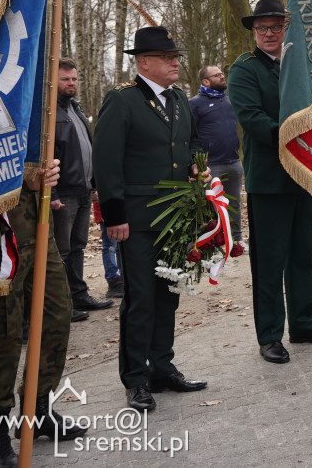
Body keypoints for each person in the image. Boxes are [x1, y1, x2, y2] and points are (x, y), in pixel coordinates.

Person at [93, 26, 209, 412]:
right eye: (167, 57)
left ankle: (162, 367)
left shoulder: (178, 99)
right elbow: (106, 161)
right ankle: (135, 379)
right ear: (144, 63)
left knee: (168, 294)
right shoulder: (121, 101)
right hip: (138, 218)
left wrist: (197, 165)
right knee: (140, 299)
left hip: (176, 217)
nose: (176, 62)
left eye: (176, 56)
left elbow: (190, 142)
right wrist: (114, 214)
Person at [227, 0, 312, 365]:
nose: (270, 34)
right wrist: (298, 138)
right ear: (254, 33)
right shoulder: (244, 70)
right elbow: (253, 120)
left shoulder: (303, 68)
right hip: (269, 179)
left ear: (286, 30)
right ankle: (270, 334)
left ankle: (303, 322)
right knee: (270, 262)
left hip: (305, 176)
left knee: (303, 255)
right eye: (263, 29)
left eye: (276, 27)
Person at [0, 162, 89, 467]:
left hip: (38, 226)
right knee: (6, 334)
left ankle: (38, 408)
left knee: (57, 314)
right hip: (0, 233)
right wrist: (26, 175)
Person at [52, 58, 114, 318]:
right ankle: (62, 304)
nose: (71, 83)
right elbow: (47, 155)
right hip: (63, 194)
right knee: (61, 251)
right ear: (53, 81)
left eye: (74, 79)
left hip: (83, 190)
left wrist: (95, 184)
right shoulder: (48, 113)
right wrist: (52, 194)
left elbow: (89, 149)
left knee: (78, 247)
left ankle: (79, 296)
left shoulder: (75, 108)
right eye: (65, 79)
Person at [189, 64, 244, 250]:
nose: (222, 77)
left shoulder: (228, 101)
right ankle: (215, 242)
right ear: (205, 81)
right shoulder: (195, 103)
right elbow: (190, 134)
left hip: (234, 161)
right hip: (212, 164)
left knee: (234, 203)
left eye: (222, 73)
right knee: (214, 205)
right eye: (217, 75)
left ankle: (236, 240)